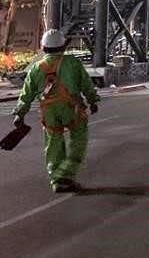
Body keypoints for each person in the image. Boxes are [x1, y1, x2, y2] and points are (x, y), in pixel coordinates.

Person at [13, 29, 100, 192]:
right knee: (79, 140)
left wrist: (20, 113)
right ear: (63, 46)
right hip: (71, 108)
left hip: (48, 112)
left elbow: (27, 93)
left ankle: (56, 180)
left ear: (43, 48)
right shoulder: (72, 63)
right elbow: (86, 83)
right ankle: (64, 174)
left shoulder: (36, 68)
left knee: (53, 143)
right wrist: (93, 100)